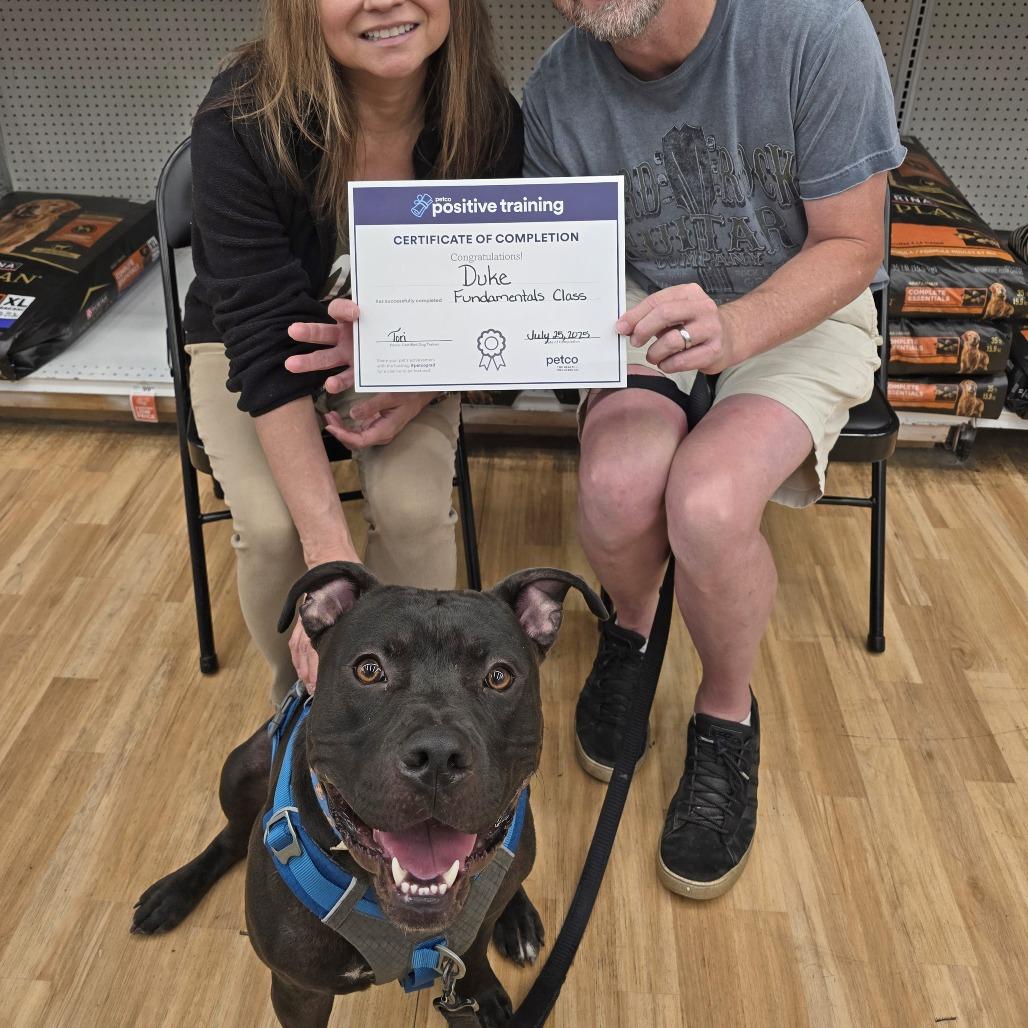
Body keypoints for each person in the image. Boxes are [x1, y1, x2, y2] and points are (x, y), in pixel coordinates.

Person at [522, 0, 905, 898]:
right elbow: (554, 267)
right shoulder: (555, 85)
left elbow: (853, 245)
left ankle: (726, 715)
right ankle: (632, 628)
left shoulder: (816, 27)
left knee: (708, 503)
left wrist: (735, 327)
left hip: (798, 305)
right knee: (619, 489)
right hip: (638, 305)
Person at [182, 0, 521, 701]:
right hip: (253, 347)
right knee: (278, 532)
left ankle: (419, 707)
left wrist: (424, 382)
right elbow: (259, 337)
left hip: (414, 343)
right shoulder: (239, 121)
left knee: (413, 511)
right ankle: (303, 706)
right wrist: (327, 554)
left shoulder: (487, 115)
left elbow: (497, 302)